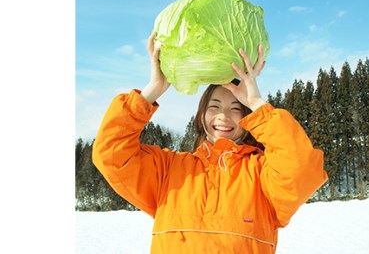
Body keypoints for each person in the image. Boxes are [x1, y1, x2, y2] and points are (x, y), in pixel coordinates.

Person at [92, 31, 328, 253]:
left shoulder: (262, 175)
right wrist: (151, 92)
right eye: (214, 106)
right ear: (201, 114)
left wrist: (257, 103)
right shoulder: (169, 171)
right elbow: (111, 155)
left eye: (237, 108)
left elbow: (302, 167)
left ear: (247, 117)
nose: (223, 116)